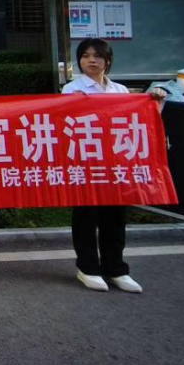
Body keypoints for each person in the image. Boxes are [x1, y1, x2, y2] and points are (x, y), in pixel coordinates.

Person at [62, 37, 166, 293]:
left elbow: (139, 120)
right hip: (86, 162)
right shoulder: (71, 90)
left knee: (115, 217)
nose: (91, 61)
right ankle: (88, 268)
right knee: (86, 216)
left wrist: (154, 101)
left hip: (116, 163)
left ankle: (116, 268)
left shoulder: (120, 90)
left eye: (97, 56)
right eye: (85, 56)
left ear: (107, 61)